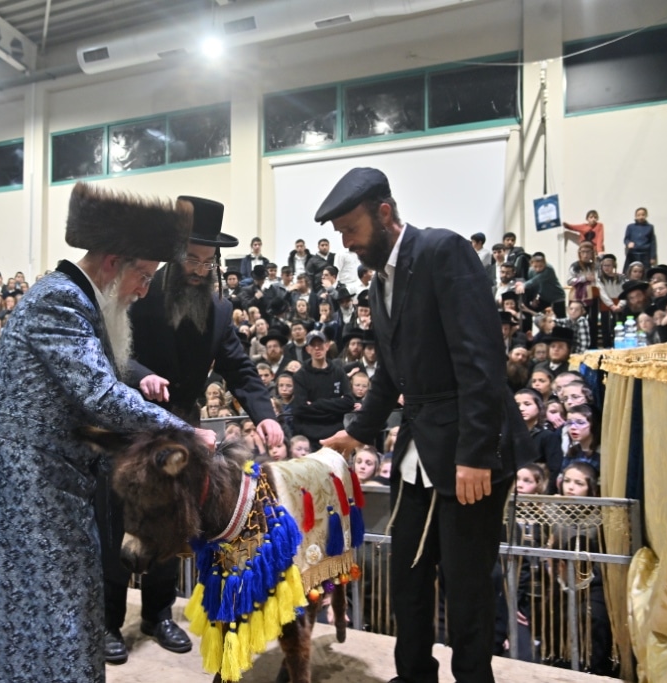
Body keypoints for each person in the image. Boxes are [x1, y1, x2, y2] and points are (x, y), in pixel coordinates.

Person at [0, 182, 215, 683]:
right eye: (143, 276)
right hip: (34, 487)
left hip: (54, 483)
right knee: (48, 606)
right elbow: (101, 395)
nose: (144, 290)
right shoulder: (59, 300)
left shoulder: (74, 300)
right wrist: (183, 432)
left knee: (59, 601)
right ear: (113, 263)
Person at [315, 167, 533, 683]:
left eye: (351, 229)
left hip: (466, 454)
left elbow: (482, 360)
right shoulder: (378, 286)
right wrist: (358, 432)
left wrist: (476, 454)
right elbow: (391, 375)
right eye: (340, 234)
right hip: (418, 453)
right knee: (407, 580)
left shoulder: (442, 251)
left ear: (384, 213)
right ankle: (413, 675)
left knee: (466, 587)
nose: (346, 244)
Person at [102, 195, 284, 665]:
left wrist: (264, 413)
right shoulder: (139, 292)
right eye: (192, 259)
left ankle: (159, 614)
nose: (200, 270)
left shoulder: (219, 310)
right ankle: (108, 620)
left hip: (185, 427)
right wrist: (141, 375)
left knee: (176, 519)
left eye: (208, 262)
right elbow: (110, 351)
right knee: (120, 521)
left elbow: (239, 369)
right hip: (132, 423)